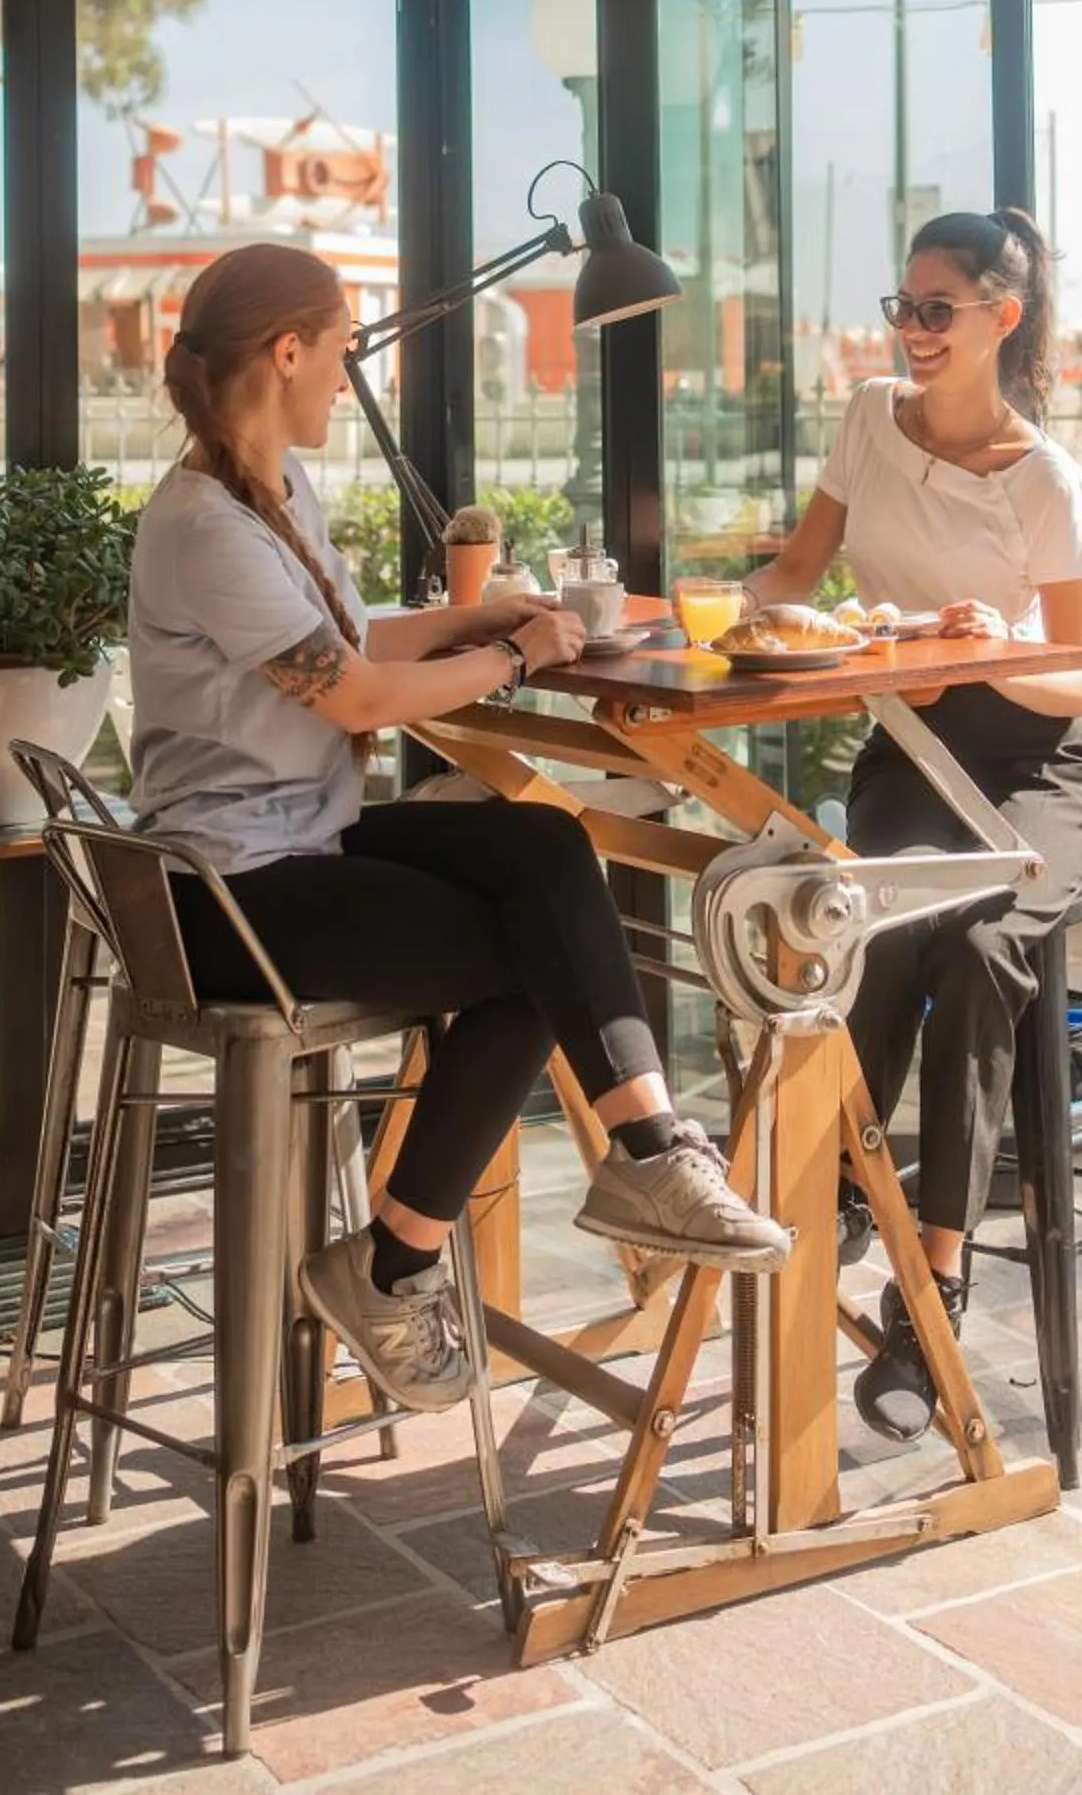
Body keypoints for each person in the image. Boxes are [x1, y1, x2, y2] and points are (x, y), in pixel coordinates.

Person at [125, 241, 789, 1416]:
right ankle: (394, 1267)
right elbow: (354, 697)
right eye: (339, 353)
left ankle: (645, 1152)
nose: (346, 379)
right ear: (286, 353)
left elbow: (348, 640)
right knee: (538, 958)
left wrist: (483, 611)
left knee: (542, 849)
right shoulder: (206, 527)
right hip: (227, 896)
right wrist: (509, 654)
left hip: (299, 841)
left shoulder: (265, 493)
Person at [741, 208, 1082, 1443]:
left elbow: (1081, 681)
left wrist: (996, 646)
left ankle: (930, 1279)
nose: (909, 330)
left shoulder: (1041, 478)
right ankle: (844, 1191)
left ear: (1001, 319)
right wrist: (687, 617)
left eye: (934, 310)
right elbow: (796, 574)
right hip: (911, 748)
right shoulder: (866, 418)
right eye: (900, 306)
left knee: (976, 942)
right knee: (861, 926)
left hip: (1040, 761)